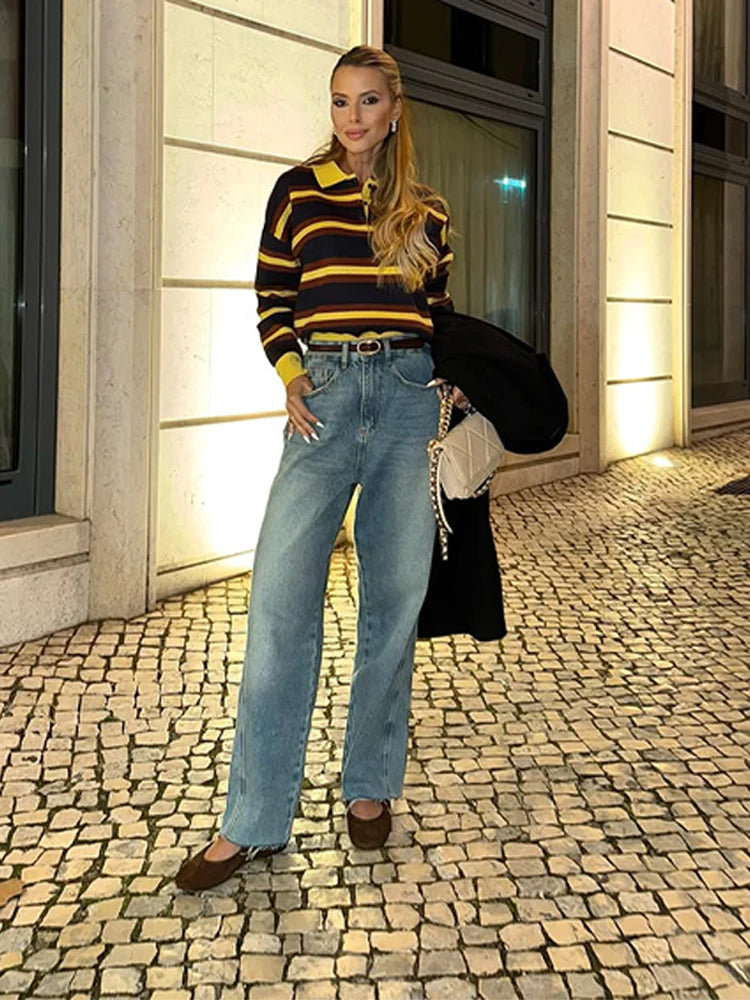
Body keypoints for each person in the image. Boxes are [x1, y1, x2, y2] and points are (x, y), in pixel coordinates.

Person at [176, 44, 453, 893]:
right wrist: (292, 374)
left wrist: (446, 385)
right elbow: (272, 296)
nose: (352, 117)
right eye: (340, 101)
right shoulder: (297, 191)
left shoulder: (428, 211)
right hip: (323, 398)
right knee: (278, 603)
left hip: (407, 401)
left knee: (393, 604)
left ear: (393, 110)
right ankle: (253, 820)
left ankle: (369, 783)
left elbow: (438, 313)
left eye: (368, 101)